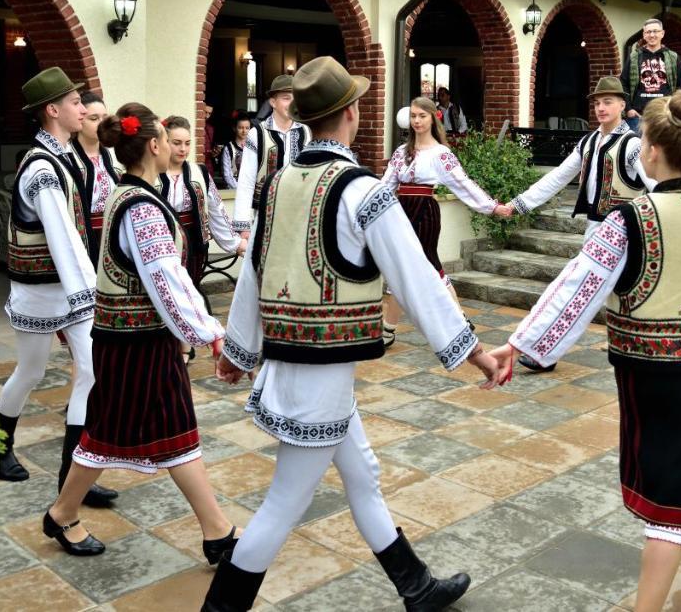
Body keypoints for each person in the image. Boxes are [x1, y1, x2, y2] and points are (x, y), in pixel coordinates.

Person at [202, 56, 501, 612]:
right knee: (285, 502)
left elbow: (254, 271)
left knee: (362, 472)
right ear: (352, 114)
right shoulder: (364, 190)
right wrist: (474, 351)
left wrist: (239, 349)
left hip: (296, 362)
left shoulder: (278, 184)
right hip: (321, 372)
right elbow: (415, 279)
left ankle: (416, 586)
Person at [490, 91, 681, 612]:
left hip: (642, 375)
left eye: (643, 142)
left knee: (673, 486)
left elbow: (577, 289)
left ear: (654, 152)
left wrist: (520, 343)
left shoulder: (627, 219)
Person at [41, 103, 239, 561]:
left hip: (132, 339)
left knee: (160, 431)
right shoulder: (142, 208)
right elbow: (167, 280)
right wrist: (210, 331)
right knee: (124, 433)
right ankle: (217, 533)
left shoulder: (125, 194)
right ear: (154, 145)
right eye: (169, 140)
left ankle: (215, 531)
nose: (174, 147)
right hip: (137, 343)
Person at [0, 67, 117, 508]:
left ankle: (72, 481)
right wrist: (93, 295)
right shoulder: (43, 169)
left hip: (71, 291)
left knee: (90, 372)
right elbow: (64, 236)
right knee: (30, 371)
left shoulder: (66, 158)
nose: (82, 109)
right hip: (41, 291)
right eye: (74, 103)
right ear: (53, 111)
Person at [506, 76, 653, 373]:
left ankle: (546, 351)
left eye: (608, 102)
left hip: (626, 232)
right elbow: (558, 177)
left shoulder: (632, 145)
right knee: (584, 293)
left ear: (623, 106)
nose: (601, 107)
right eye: (597, 102)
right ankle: (545, 351)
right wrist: (519, 204)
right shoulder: (587, 142)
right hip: (596, 229)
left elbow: (654, 183)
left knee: (584, 293)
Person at [380, 96, 512, 344]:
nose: (417, 121)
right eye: (414, 116)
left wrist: (492, 207)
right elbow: (385, 186)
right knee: (401, 267)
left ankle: (458, 319)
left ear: (433, 118)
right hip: (400, 212)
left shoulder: (441, 154)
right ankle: (389, 329)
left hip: (425, 212)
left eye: (422, 116)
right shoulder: (401, 152)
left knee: (428, 263)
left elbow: (463, 184)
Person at [159, 115, 245, 287]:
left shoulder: (200, 173)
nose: (183, 148)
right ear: (164, 142)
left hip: (193, 243)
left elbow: (217, 210)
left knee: (190, 291)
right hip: (161, 245)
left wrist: (236, 243)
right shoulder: (151, 172)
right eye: (176, 143)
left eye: (187, 143)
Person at [232, 74, 312, 241]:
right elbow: (246, 180)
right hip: (265, 215)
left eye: (295, 98)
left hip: (299, 216)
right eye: (286, 98)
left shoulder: (305, 132)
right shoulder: (257, 134)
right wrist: (243, 224)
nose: (292, 103)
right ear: (273, 102)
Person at [70, 90, 121, 261]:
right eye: (93, 118)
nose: (101, 124)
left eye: (104, 118)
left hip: (112, 234)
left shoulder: (115, 156)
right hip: (81, 237)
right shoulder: (68, 157)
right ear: (80, 120)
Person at [622, 17, 681, 130]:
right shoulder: (634, 57)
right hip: (638, 116)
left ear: (662, 33)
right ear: (644, 35)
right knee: (638, 147)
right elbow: (623, 83)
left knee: (664, 147)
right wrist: (628, 109)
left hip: (665, 115)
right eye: (648, 32)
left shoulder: (672, 57)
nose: (652, 35)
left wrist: (674, 109)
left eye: (655, 31)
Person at [219, 113, 251, 191]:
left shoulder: (253, 147)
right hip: (233, 191)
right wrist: (239, 189)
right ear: (234, 128)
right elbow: (227, 175)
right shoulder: (229, 148)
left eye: (247, 128)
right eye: (240, 128)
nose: (244, 131)